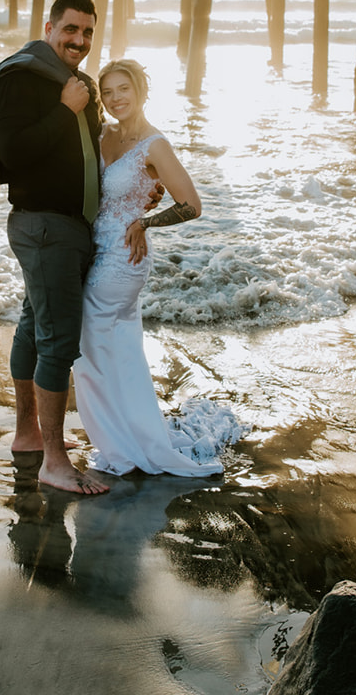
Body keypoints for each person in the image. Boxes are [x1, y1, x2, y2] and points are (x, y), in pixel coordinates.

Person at [72, 58, 242, 476]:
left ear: (140, 92)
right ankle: (130, 433)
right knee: (119, 353)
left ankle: (120, 446)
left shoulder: (155, 145)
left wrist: (146, 220)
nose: (115, 99)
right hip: (94, 250)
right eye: (107, 92)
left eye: (123, 90)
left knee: (89, 351)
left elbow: (192, 204)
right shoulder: (101, 134)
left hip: (123, 259)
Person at [0, 0, 110, 495]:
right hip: (44, 225)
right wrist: (63, 110)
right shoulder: (22, 79)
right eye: (70, 29)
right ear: (49, 26)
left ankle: (27, 436)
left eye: (87, 33)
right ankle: (55, 462)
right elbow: (12, 154)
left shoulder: (81, 85)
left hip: (68, 227)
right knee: (58, 343)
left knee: (34, 326)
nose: (78, 41)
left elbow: (91, 155)